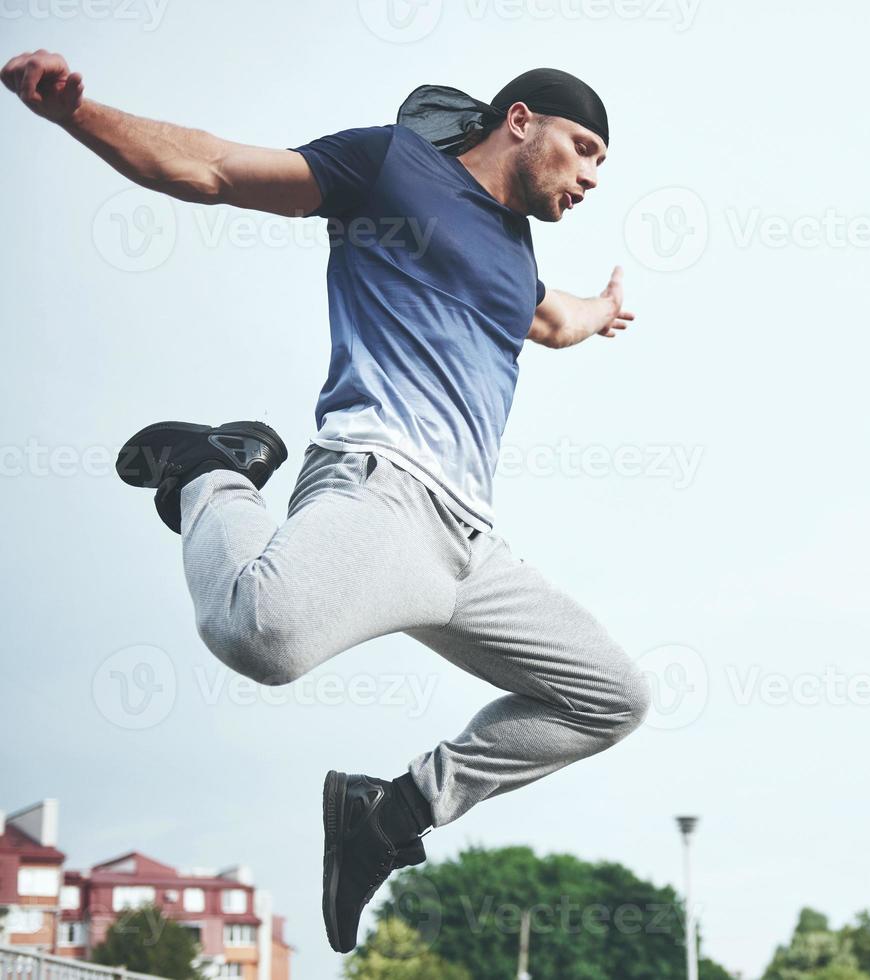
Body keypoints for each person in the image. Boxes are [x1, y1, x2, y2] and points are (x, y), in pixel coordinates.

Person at [2, 51, 651, 954]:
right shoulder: (391, 169)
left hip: (469, 547)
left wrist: (603, 308)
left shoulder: (515, 263)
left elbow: (555, 322)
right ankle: (207, 470)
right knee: (259, 635)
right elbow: (214, 168)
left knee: (610, 698)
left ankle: (388, 817)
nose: (588, 177)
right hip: (379, 489)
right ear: (519, 120)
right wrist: (77, 114)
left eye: (600, 167)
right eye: (582, 149)